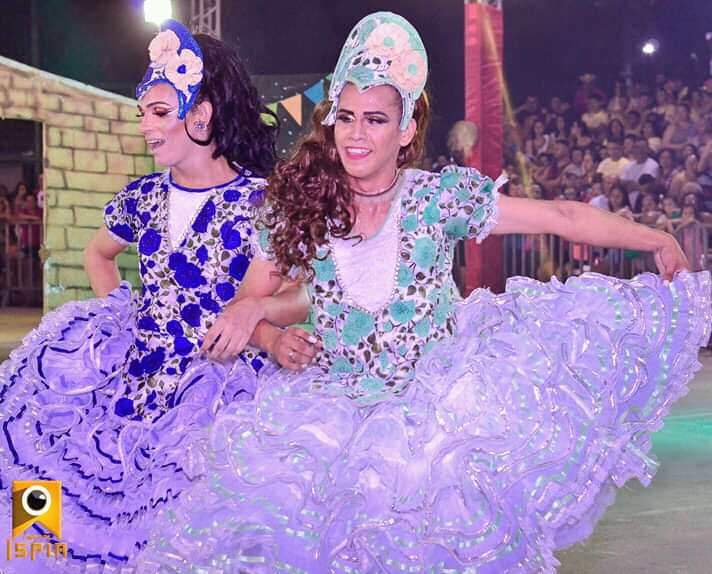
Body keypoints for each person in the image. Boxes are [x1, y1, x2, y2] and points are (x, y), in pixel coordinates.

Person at [136, 13, 711, 574]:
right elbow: (246, 307)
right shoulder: (301, 206)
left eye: (376, 120)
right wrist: (270, 338)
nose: (356, 134)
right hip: (332, 416)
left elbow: (560, 216)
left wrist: (653, 238)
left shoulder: (438, 200)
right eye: (346, 117)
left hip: (434, 422)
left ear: (406, 129)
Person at [0, 20, 308, 571]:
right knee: (44, 455)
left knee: (180, 529)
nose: (146, 125)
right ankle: (31, 558)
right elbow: (99, 255)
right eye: (143, 112)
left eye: (160, 112)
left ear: (202, 114)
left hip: (217, 389)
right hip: (135, 373)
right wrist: (119, 314)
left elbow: (298, 292)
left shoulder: (262, 203)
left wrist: (259, 316)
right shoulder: (141, 197)